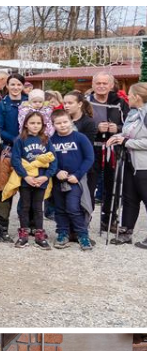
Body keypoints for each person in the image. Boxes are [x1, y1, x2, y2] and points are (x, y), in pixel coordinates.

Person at [47, 110, 96, 251]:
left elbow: (89, 158)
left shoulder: (80, 138)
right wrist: (56, 172)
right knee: (60, 208)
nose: (62, 125)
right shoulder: (51, 140)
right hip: (58, 181)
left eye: (65, 122)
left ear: (71, 122)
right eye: (58, 123)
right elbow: (47, 160)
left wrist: (78, 175)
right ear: (53, 125)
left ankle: (82, 234)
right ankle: (62, 233)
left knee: (73, 207)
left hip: (75, 180)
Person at [87, 73, 129, 233]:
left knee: (113, 186)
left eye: (105, 83)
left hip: (113, 148)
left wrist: (117, 128)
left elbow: (129, 124)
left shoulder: (120, 102)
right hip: (93, 147)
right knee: (89, 185)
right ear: (93, 84)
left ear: (111, 85)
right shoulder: (86, 102)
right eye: (98, 83)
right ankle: (84, 219)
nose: (101, 86)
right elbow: (78, 123)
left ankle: (109, 219)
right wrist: (96, 127)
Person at [9, 111, 57, 249]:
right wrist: (25, 176)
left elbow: (53, 160)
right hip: (26, 180)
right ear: (26, 124)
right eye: (32, 123)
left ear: (42, 125)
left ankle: (39, 234)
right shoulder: (20, 140)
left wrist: (46, 176)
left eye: (38, 123)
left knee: (38, 207)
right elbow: (16, 160)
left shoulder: (46, 140)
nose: (35, 126)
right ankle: (23, 233)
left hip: (41, 180)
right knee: (25, 206)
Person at [107, 83, 146, 247]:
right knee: (130, 199)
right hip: (130, 162)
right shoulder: (134, 113)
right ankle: (126, 232)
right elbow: (127, 132)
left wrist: (126, 141)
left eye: (129, 95)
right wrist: (118, 136)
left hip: (144, 165)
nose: (127, 97)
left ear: (137, 97)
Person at [0, 74, 28, 152]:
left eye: (19, 84)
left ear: (23, 86)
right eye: (12, 84)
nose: (16, 88)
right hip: (9, 147)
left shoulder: (30, 102)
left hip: (30, 145)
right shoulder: (1, 105)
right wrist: (15, 139)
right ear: (7, 86)